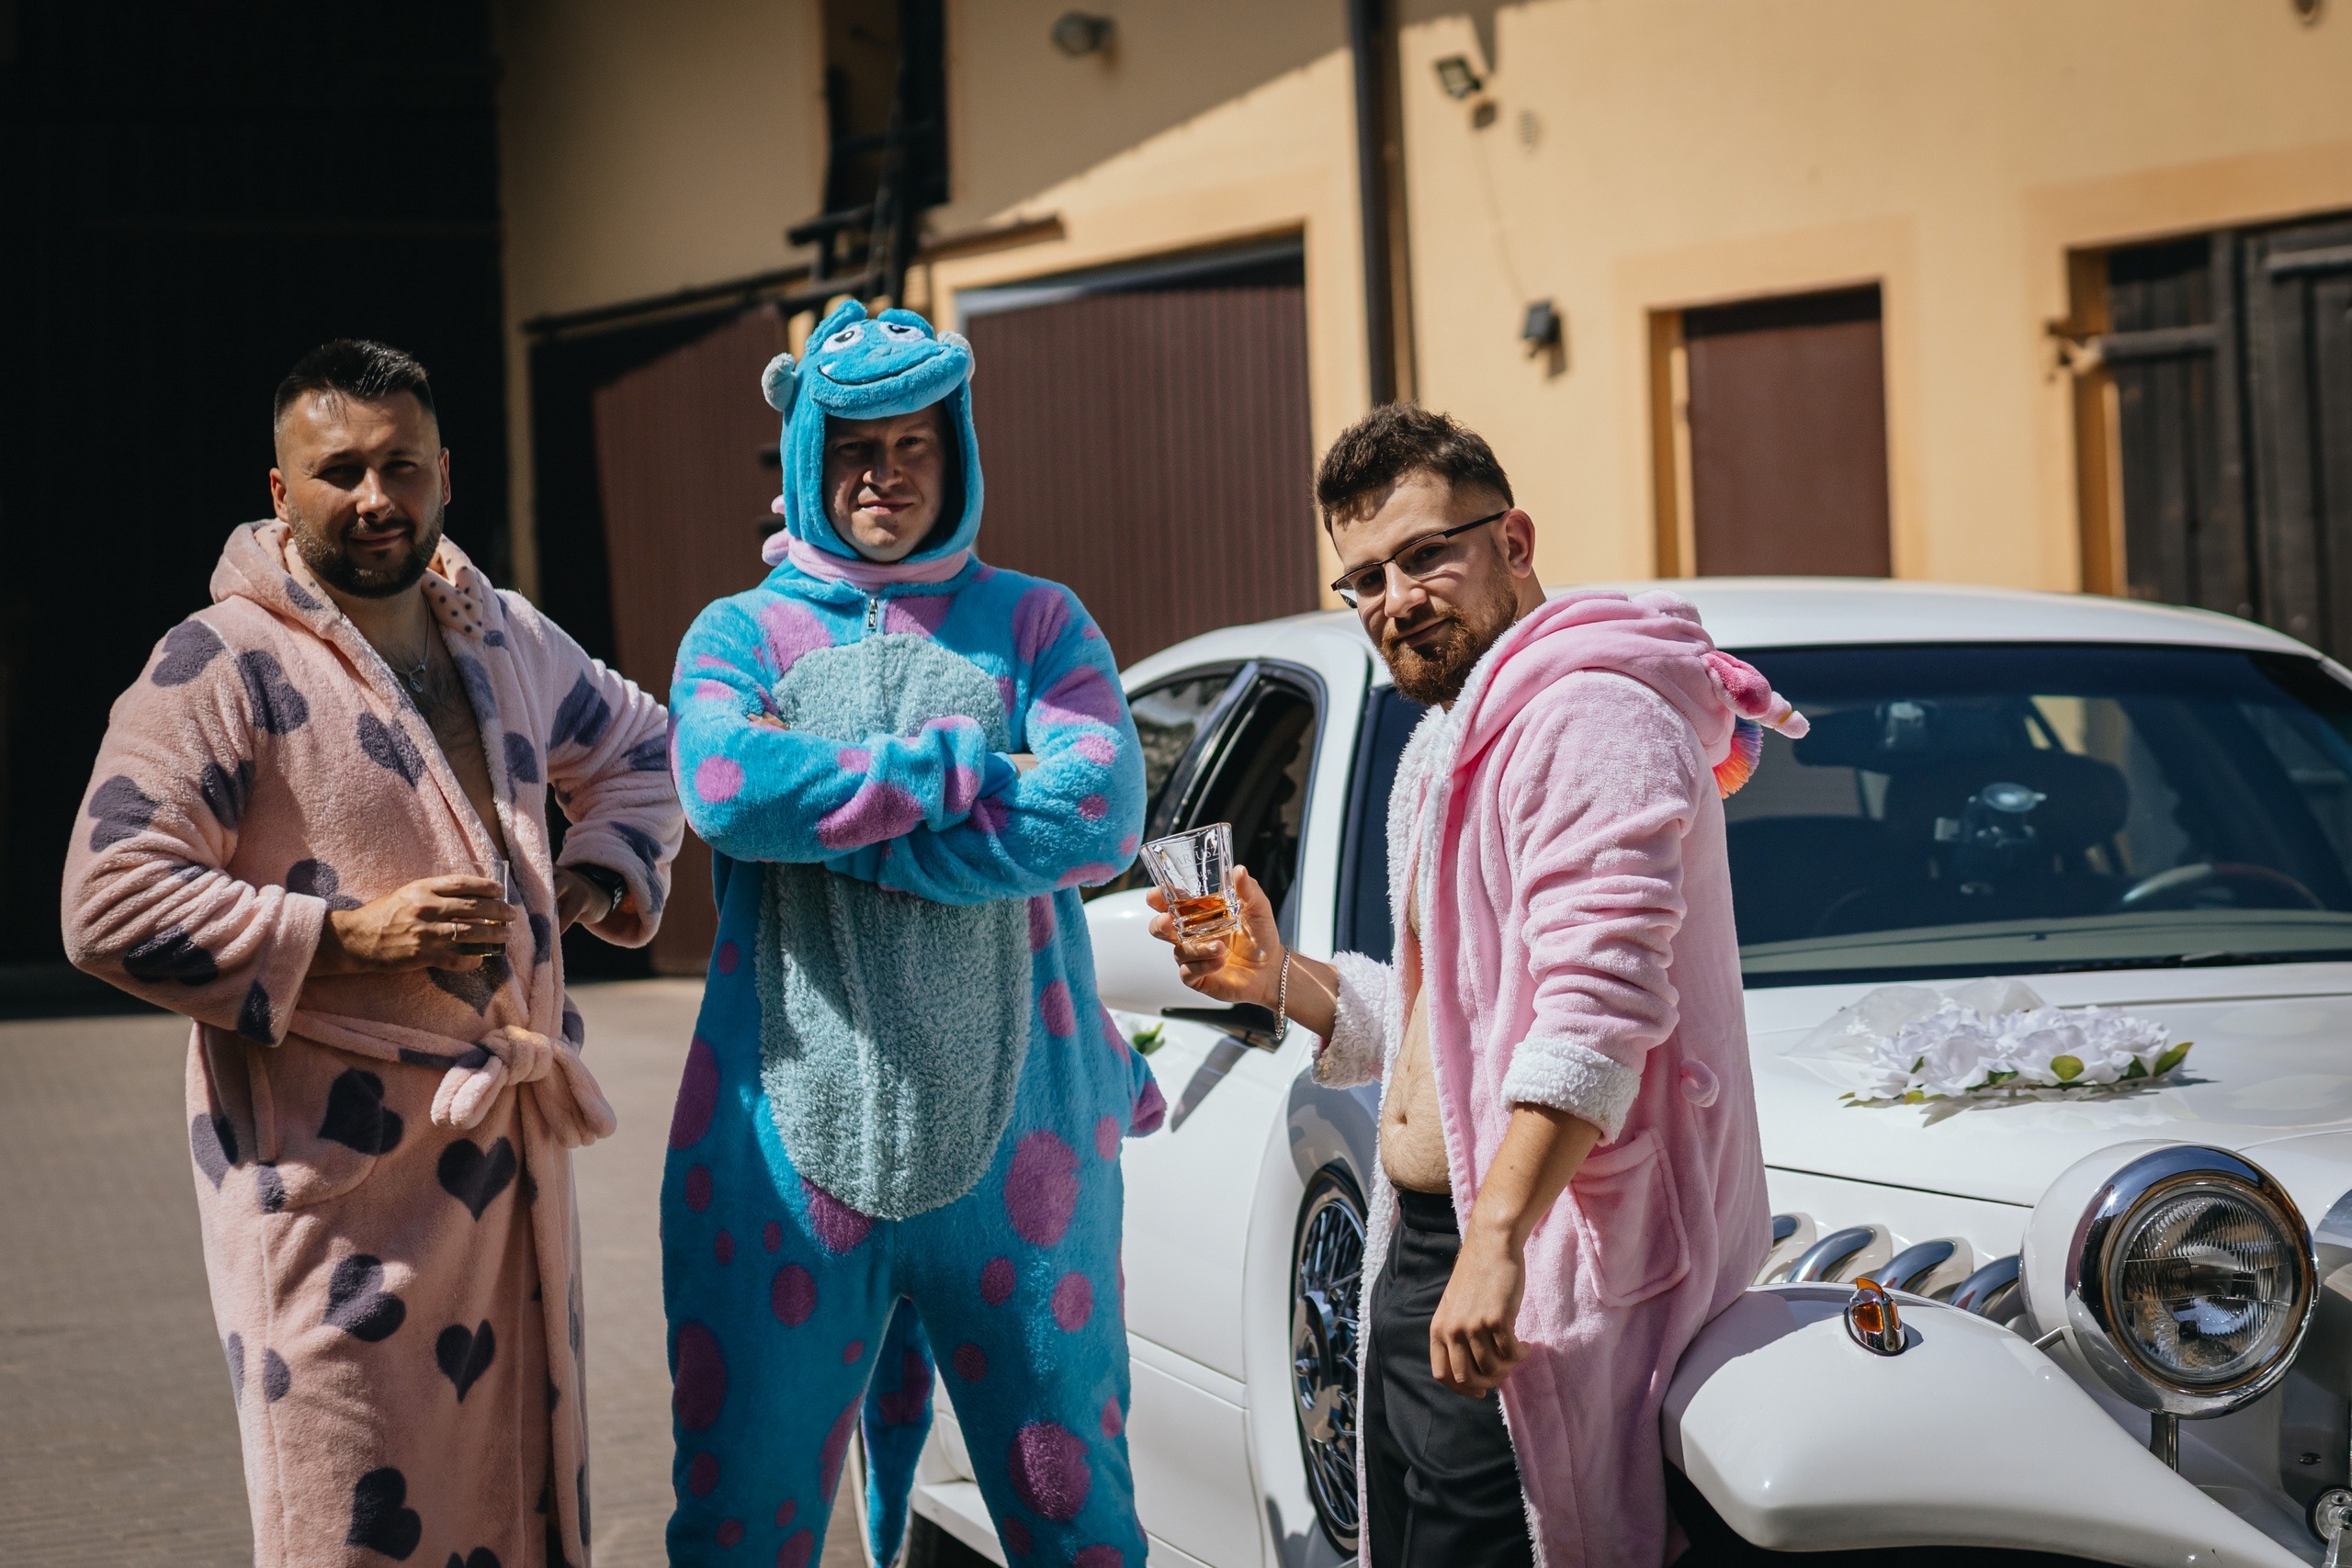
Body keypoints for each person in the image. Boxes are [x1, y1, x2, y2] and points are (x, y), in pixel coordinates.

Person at [61, 339, 682, 1568]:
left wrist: (593, 874)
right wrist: (349, 938)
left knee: (517, 1511)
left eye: (401, 465)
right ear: (281, 491)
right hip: (331, 1197)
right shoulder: (219, 662)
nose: (375, 496)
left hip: (505, 1184)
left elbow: (645, 749)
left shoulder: (502, 637)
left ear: (446, 471)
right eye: (338, 470)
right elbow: (106, 900)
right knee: (346, 1524)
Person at [1151, 404, 1803, 1567]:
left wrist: (1496, 1240)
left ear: (1514, 541)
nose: (1394, 599)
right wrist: (1280, 978)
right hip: (1425, 1247)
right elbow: (1449, 1020)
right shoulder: (1449, 741)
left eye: (1424, 555)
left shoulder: (1591, 718)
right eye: (1363, 579)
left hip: (1534, 1264)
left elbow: (1597, 1011)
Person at [660, 301, 1160, 1568]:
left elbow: (1098, 813)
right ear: (807, 458)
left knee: (1075, 1515)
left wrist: (839, 824)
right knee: (740, 1521)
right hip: (777, 1157)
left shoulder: (1039, 623)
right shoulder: (738, 632)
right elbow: (725, 787)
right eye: (852, 448)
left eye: (913, 444)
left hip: (1027, 1159)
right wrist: (963, 771)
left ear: (958, 452)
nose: (882, 473)